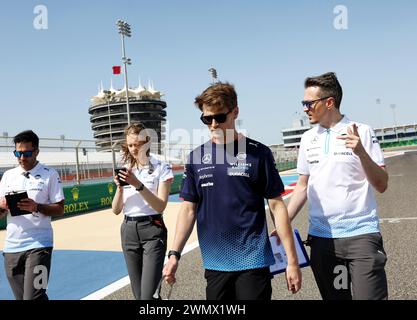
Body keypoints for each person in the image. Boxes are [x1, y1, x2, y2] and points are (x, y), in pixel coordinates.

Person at [162, 82, 302, 300]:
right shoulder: (196, 158)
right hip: (215, 262)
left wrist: (292, 261)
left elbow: (276, 206)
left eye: (219, 117)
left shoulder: (259, 153)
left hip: (253, 261)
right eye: (207, 119)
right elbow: (188, 210)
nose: (213, 124)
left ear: (235, 112)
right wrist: (174, 255)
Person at [286, 72, 389, 300]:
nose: (305, 108)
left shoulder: (362, 131)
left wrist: (361, 152)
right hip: (323, 243)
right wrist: (283, 223)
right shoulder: (307, 139)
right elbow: (302, 186)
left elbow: (382, 184)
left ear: (329, 102)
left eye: (309, 103)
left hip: (361, 237)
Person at [0, 130, 64, 300]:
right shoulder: (8, 176)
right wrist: (1, 206)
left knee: (34, 296)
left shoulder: (50, 174)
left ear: (37, 151)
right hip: (12, 248)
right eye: (18, 153)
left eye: (26, 153)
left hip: (40, 246)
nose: (21, 157)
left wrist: (36, 206)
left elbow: (60, 209)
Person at [112, 122, 173, 300]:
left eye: (137, 144)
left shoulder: (161, 165)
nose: (133, 149)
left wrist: (137, 184)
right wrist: (120, 188)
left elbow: (160, 206)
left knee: (148, 297)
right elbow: (116, 210)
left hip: (152, 229)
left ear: (147, 142)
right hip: (128, 230)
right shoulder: (126, 168)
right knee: (139, 296)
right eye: (130, 145)